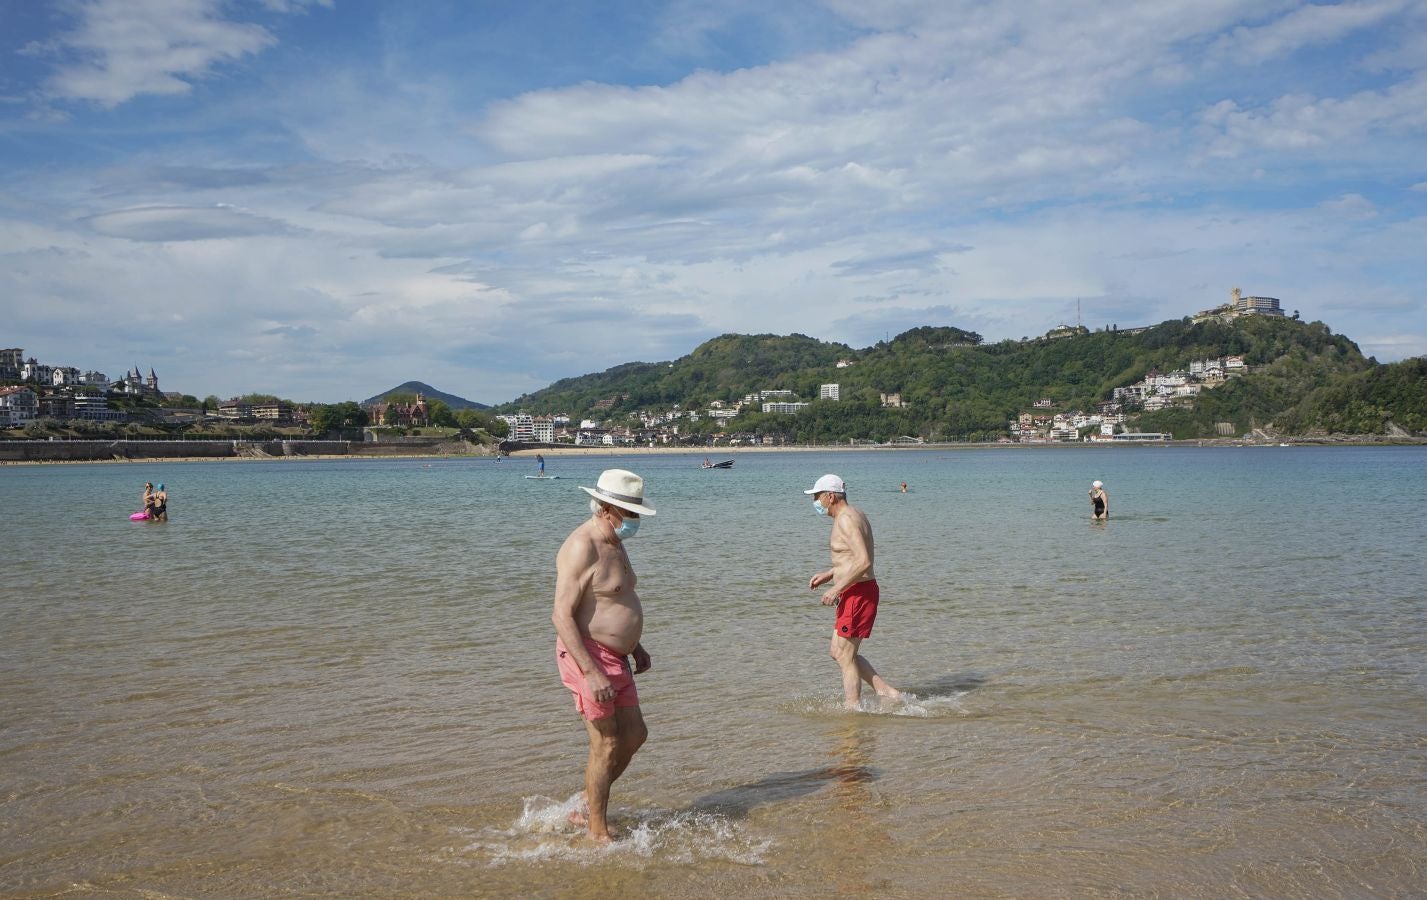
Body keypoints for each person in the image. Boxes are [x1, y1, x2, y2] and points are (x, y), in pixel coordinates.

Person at [551, 468, 656, 842]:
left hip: (617, 657)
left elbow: (612, 598)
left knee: (635, 734)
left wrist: (634, 645)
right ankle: (597, 831)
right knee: (606, 743)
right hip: (589, 656)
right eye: (631, 513)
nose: (635, 520)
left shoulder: (614, 540)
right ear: (607, 508)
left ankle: (586, 803)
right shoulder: (583, 546)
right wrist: (591, 672)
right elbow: (561, 615)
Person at [804, 474, 901, 710]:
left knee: (845, 655)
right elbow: (852, 557)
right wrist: (830, 574)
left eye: (817, 497)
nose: (815, 502)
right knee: (837, 652)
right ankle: (887, 692)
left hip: (859, 593)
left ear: (830, 496)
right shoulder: (854, 514)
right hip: (855, 591)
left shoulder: (846, 519)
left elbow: (864, 561)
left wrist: (836, 588)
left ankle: (852, 709)